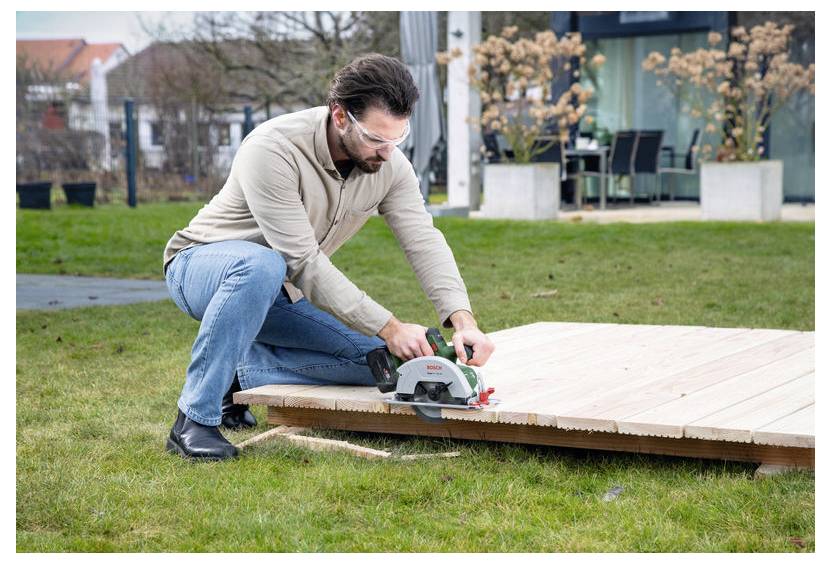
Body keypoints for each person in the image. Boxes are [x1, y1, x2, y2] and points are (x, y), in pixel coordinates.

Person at [162, 53, 495, 461]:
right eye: (376, 139)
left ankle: (239, 374)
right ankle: (194, 420)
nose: (387, 152)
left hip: (281, 292)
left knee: (386, 364)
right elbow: (303, 260)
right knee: (263, 263)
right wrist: (389, 325)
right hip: (203, 268)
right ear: (340, 116)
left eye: (397, 139)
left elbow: (423, 239)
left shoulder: (390, 165)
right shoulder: (273, 148)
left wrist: (463, 320)